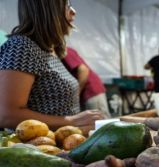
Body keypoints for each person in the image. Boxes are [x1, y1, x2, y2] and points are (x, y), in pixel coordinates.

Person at [0, 0, 105, 135]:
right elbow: (7, 115)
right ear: (47, 10)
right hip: (36, 151)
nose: (73, 11)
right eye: (67, 5)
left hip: (57, 147)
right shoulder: (22, 46)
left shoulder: (48, 49)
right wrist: (71, 121)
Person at [62, 47, 111, 118]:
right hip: (86, 92)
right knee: (90, 121)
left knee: (100, 121)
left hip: (91, 90)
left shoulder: (65, 51)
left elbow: (83, 70)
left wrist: (76, 93)